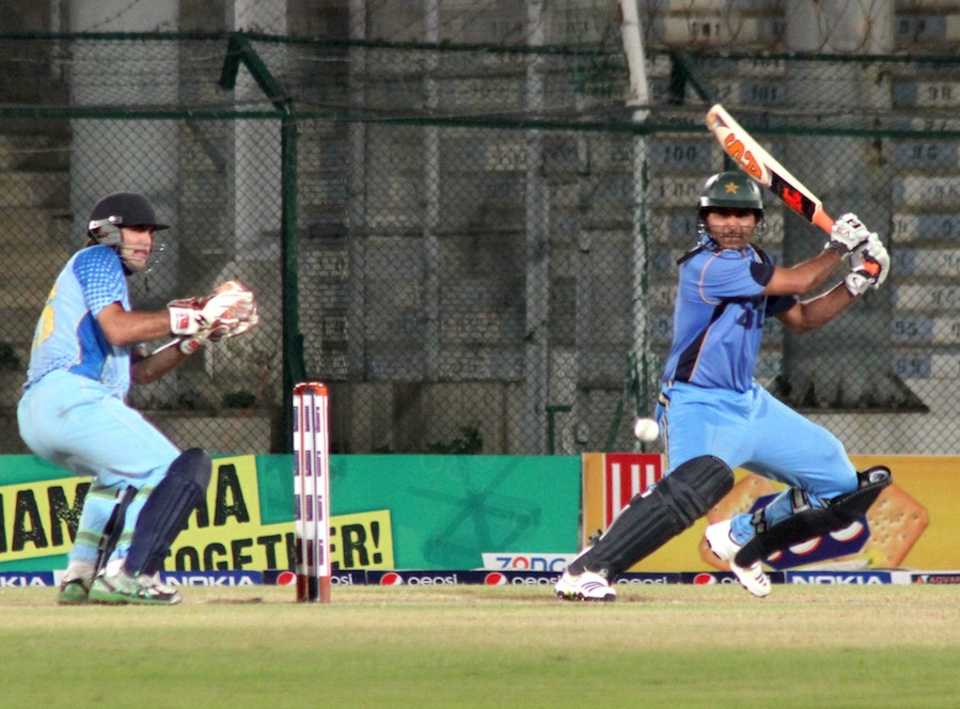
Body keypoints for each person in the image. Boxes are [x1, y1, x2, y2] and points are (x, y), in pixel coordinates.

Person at [555, 171, 892, 601]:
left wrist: (858, 279)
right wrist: (839, 247)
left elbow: (805, 318)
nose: (732, 223)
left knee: (843, 487)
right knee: (699, 484)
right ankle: (588, 569)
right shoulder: (707, 265)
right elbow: (801, 280)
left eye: (742, 215)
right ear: (705, 218)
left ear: (756, 220)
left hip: (748, 404)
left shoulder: (754, 263)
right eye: (721, 214)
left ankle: (737, 537)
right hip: (696, 402)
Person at [17, 192, 258, 605]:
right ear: (107, 231)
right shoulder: (97, 259)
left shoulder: (105, 286)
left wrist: (196, 338)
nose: (145, 239)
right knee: (176, 471)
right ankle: (129, 573)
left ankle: (81, 574)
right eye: (137, 229)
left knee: (117, 481)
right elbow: (118, 329)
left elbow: (140, 372)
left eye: (149, 232)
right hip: (71, 396)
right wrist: (197, 315)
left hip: (45, 411)